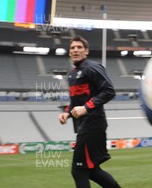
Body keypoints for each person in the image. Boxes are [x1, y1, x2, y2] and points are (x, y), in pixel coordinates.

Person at [58, 35, 121, 188]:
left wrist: (86, 108)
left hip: (93, 125)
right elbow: (75, 101)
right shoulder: (72, 73)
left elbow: (109, 91)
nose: (75, 50)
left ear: (86, 51)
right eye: (72, 48)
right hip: (84, 126)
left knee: (78, 170)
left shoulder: (92, 67)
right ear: (69, 52)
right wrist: (67, 112)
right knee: (91, 169)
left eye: (79, 47)